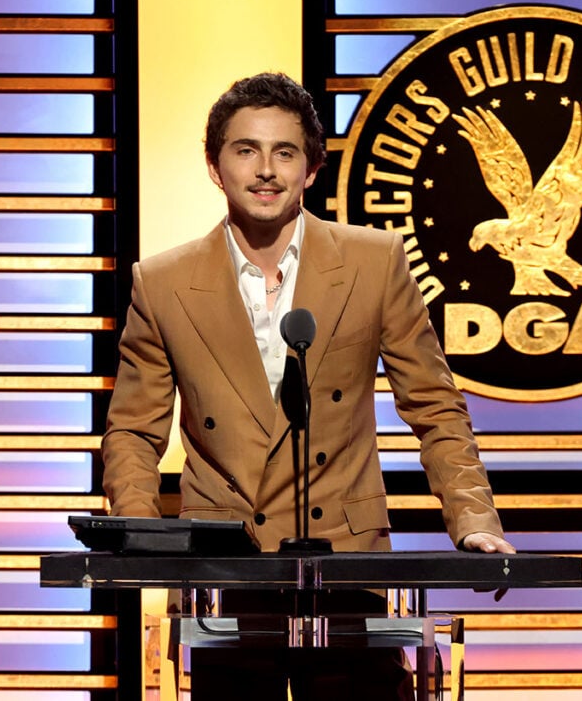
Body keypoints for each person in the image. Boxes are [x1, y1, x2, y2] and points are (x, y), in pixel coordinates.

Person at [101, 72, 514, 700]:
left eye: (284, 152)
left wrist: (474, 518)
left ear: (312, 168)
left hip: (348, 571)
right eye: (245, 150)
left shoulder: (375, 262)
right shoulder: (162, 283)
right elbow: (133, 428)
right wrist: (138, 536)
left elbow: (434, 406)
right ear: (215, 167)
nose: (265, 170)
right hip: (228, 580)